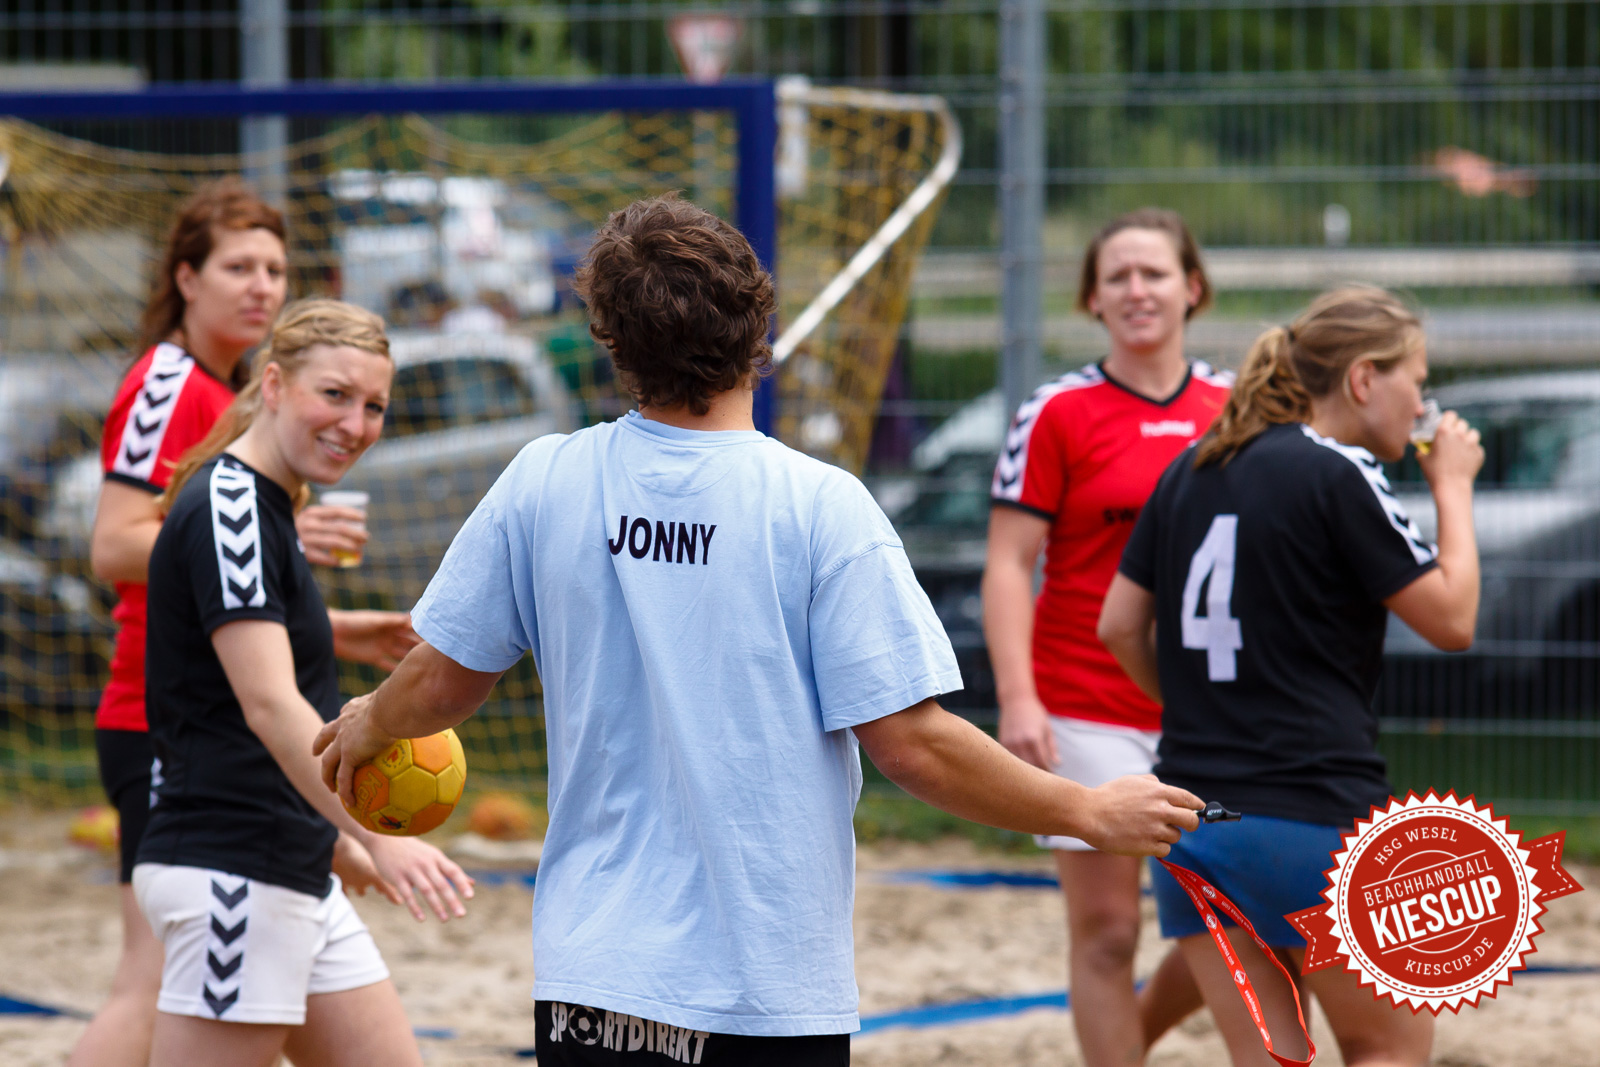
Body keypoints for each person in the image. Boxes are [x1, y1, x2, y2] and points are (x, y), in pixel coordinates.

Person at [312, 195, 1204, 1064]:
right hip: (765, 984)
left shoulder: (546, 477)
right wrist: (1086, 807)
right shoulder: (820, 507)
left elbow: (442, 682)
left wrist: (371, 721)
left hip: (597, 976)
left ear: (612, 342)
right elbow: (913, 746)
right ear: (757, 326)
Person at [72, 179, 415, 1067]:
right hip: (196, 785)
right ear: (185, 276)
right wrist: (370, 834)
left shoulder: (250, 472)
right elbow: (119, 546)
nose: (261, 283)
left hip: (276, 825)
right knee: (141, 990)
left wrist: (322, 614)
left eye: (276, 266)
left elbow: (245, 624)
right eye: (238, 265)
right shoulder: (178, 405)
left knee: (150, 984)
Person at [1098, 285, 1484, 1067]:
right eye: (1417, 378)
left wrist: (1206, 707)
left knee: (1273, 1059)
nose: (1422, 405)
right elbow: (1453, 619)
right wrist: (1454, 486)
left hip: (1194, 821)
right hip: (1313, 819)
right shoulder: (1337, 469)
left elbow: (1116, 627)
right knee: (1388, 1048)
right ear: (1364, 379)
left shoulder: (1190, 468)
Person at [133, 299, 473, 1067]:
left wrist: (339, 846)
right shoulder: (230, 506)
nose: (356, 422)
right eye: (336, 394)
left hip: (291, 863)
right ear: (276, 384)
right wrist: (373, 837)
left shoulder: (270, 506)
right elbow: (268, 704)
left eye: (375, 405)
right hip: (231, 873)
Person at [982, 208, 1227, 1065]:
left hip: (1211, 711)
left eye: (1154, 273)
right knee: (1109, 931)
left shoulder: (1237, 409)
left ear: (1191, 287)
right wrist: (1018, 697)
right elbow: (1009, 564)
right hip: (1082, 702)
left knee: (1237, 920)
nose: (1136, 290)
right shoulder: (1056, 410)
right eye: (1117, 275)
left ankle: (1127, 1040)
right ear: (1091, 296)